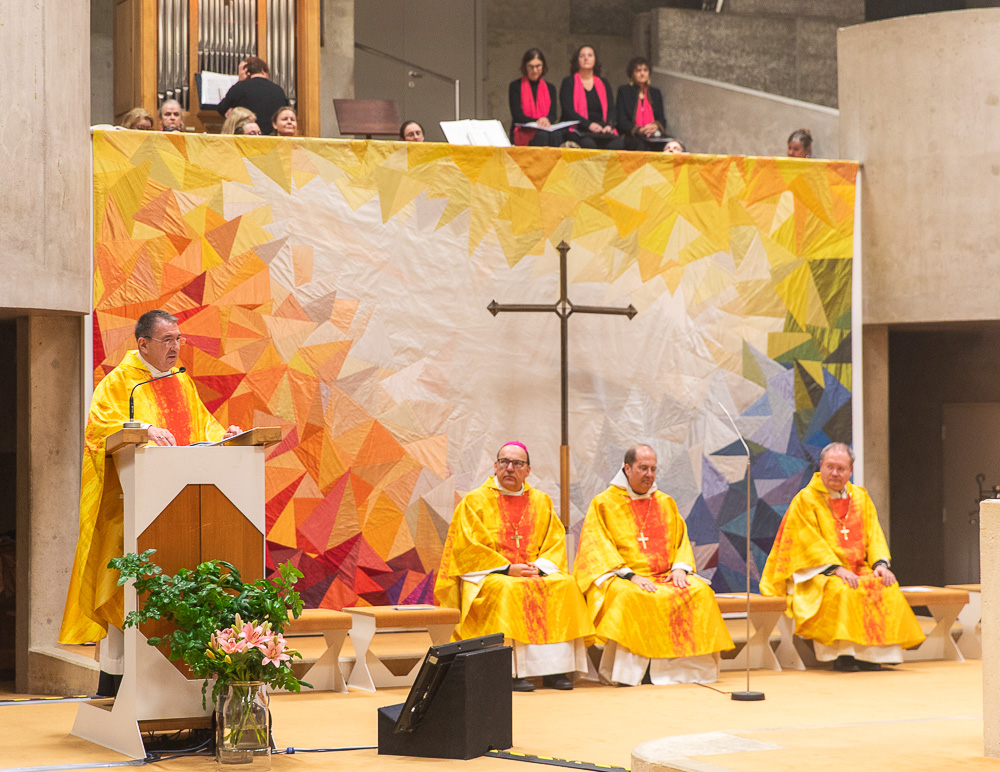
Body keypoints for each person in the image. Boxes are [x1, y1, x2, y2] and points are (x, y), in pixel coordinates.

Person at [58, 310, 241, 694]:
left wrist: (228, 436)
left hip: (180, 512)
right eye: (168, 340)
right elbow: (98, 433)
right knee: (127, 594)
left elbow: (203, 431)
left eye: (179, 339)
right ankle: (116, 687)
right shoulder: (121, 384)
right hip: (131, 510)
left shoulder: (181, 382)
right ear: (143, 344)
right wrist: (142, 431)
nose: (176, 347)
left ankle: (172, 686)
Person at [435, 442, 594, 691]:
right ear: (495, 466)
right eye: (504, 462)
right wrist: (508, 569)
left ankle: (555, 671)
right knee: (509, 589)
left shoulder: (541, 501)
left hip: (532, 570)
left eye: (517, 464)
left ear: (528, 470)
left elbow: (554, 543)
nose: (510, 468)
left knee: (565, 585)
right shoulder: (475, 501)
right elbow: (467, 547)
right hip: (491, 575)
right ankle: (510, 671)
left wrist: (538, 567)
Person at [574, 445, 733, 685]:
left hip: (665, 574)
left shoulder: (665, 502)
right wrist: (629, 576)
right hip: (623, 576)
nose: (649, 474)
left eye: (653, 469)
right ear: (627, 469)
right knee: (630, 595)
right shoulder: (604, 503)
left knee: (699, 592)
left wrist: (680, 568)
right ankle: (634, 674)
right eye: (643, 468)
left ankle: (688, 671)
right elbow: (596, 547)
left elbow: (681, 540)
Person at [760, 442, 925, 671]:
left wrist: (880, 564)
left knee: (885, 587)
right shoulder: (806, 499)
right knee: (843, 590)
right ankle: (844, 655)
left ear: (851, 471)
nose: (835, 473)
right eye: (830, 467)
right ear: (821, 466)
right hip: (819, 571)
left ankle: (872, 656)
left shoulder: (860, 497)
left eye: (840, 468)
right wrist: (835, 569)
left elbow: (874, 533)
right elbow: (806, 542)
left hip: (858, 566)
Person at [559, 45, 624, 150]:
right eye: (582, 56)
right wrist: (588, 125)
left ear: (595, 60)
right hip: (579, 128)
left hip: (601, 129)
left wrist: (609, 126)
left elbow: (611, 108)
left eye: (590, 55)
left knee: (617, 144)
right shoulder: (568, 82)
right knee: (588, 144)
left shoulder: (604, 83)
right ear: (577, 60)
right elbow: (568, 111)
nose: (586, 58)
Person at [216, 56, 289, 136]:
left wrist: (240, 81)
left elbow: (221, 108)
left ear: (247, 72)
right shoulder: (279, 90)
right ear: (263, 71)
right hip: (273, 139)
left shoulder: (240, 87)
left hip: (249, 137)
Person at [508, 48, 560, 147]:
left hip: (544, 128)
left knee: (556, 135)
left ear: (543, 66)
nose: (535, 70)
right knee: (542, 136)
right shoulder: (515, 86)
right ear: (525, 67)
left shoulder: (550, 88)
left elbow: (553, 115)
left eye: (538, 66)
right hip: (524, 130)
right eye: (531, 67)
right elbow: (517, 115)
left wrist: (546, 120)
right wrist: (537, 121)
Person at [616, 57, 667, 151]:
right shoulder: (624, 91)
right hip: (631, 135)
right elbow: (621, 121)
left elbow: (662, 119)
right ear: (632, 73)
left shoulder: (655, 93)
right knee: (641, 145)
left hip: (652, 134)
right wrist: (639, 130)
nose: (642, 73)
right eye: (638, 70)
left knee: (668, 144)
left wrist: (655, 126)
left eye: (645, 70)